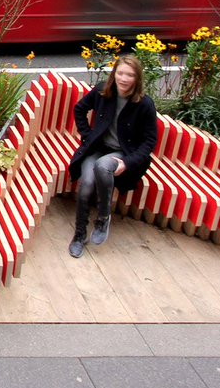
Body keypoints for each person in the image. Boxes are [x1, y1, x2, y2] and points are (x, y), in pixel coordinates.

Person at [66, 54, 157, 258]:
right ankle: (79, 235)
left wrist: (127, 162)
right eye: (120, 73)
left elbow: (149, 142)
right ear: (114, 73)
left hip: (122, 153)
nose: (123, 79)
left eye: (130, 75)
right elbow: (79, 109)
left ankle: (103, 217)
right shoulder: (102, 91)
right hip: (97, 147)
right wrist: (87, 136)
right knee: (86, 184)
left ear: (137, 79)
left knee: (102, 166)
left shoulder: (144, 104)